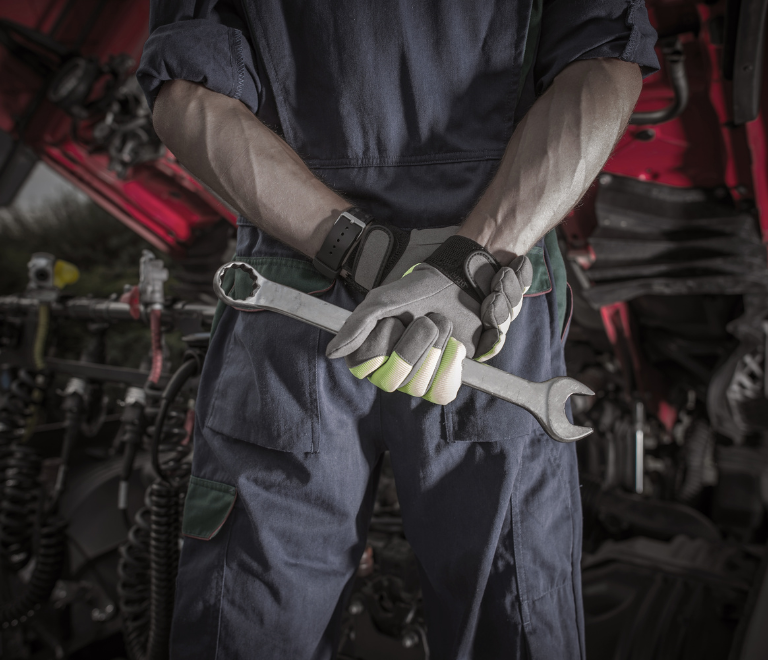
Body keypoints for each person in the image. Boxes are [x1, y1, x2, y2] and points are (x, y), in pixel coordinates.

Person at [137, 1, 658, 657]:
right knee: (514, 609)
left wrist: (361, 250)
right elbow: (605, 65)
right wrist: (468, 263)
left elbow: (187, 94)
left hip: (300, 281)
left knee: (248, 616)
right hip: (490, 296)